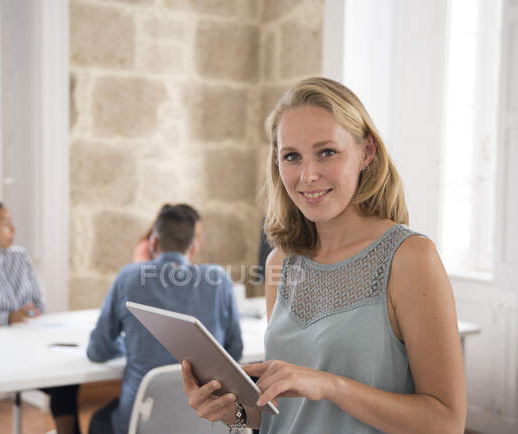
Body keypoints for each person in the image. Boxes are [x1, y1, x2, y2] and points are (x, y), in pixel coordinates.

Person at [182, 77, 466, 433]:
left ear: (367, 153)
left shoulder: (410, 258)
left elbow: (446, 423)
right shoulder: (281, 266)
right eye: (291, 156)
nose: (308, 175)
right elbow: (286, 414)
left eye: (327, 152)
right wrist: (228, 411)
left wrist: (330, 385)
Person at [87, 204, 243, 434]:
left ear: (153, 242)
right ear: (194, 244)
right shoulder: (219, 280)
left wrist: (125, 346)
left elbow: (96, 351)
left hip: (143, 422)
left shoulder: (129, 278)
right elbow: (235, 351)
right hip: (209, 423)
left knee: (99, 420)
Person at [0, 198, 81, 434]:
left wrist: (25, 313)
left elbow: (38, 304)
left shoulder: (20, 257)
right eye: (5, 223)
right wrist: (6, 317)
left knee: (67, 380)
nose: (13, 229)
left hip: (28, 349)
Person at [132, 203, 203, 263]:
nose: (197, 242)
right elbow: (142, 273)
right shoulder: (146, 247)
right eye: (195, 236)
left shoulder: (183, 250)